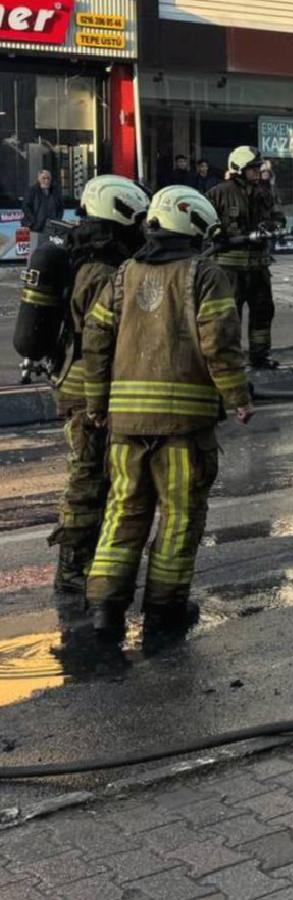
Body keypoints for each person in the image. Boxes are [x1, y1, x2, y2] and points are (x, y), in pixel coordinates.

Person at [79, 185, 253, 644]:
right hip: (183, 428)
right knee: (179, 515)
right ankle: (164, 609)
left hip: (124, 425)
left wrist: (97, 404)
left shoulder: (121, 275)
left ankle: (104, 608)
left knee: (123, 512)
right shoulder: (205, 275)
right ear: (194, 225)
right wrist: (238, 396)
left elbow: (94, 342)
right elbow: (220, 343)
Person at [23, 176, 151, 596]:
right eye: (135, 218)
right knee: (89, 475)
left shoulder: (92, 255)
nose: (140, 227)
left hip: (80, 379)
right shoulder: (100, 268)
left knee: (100, 473)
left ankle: (89, 558)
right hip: (86, 386)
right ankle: (73, 567)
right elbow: (99, 338)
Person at [206, 145, 285, 369]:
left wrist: (275, 224)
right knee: (230, 315)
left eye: (258, 168)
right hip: (229, 267)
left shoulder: (264, 192)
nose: (257, 172)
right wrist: (217, 233)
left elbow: (278, 215)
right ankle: (229, 360)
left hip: (258, 264)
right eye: (253, 168)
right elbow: (204, 218)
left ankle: (260, 356)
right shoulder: (219, 192)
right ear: (239, 168)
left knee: (263, 310)